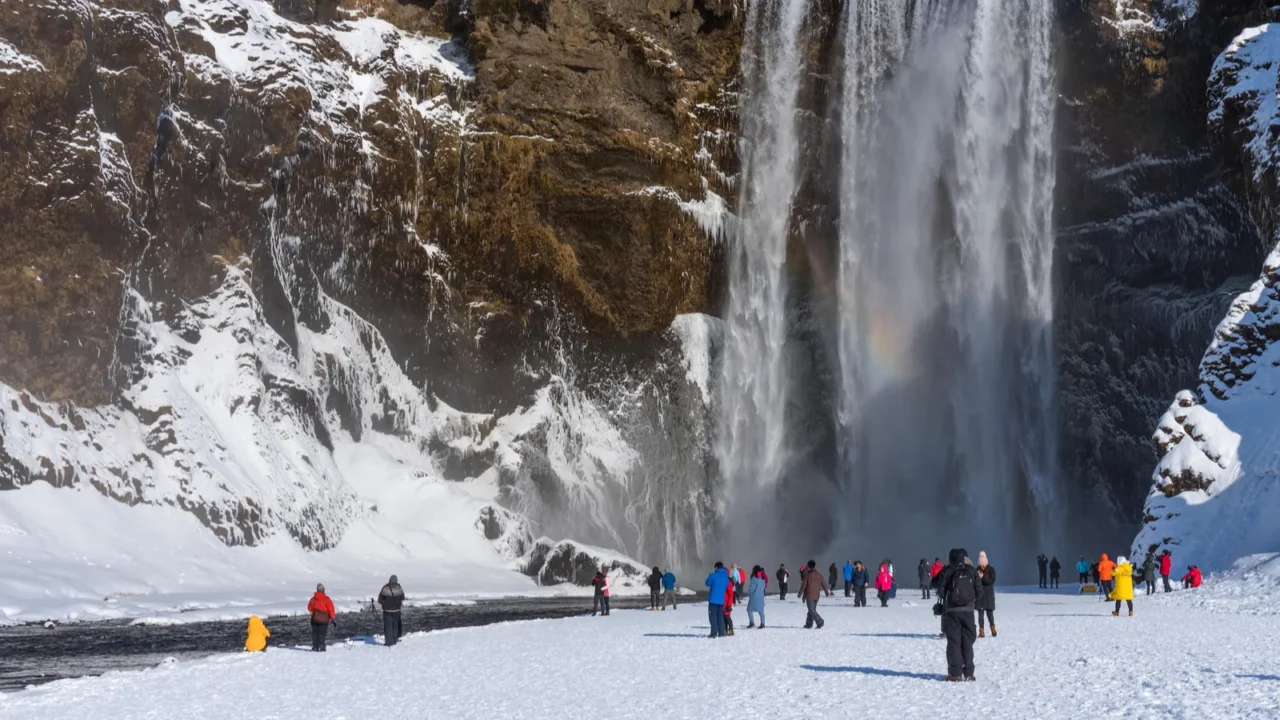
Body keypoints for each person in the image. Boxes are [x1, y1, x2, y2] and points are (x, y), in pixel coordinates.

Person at [935, 548, 982, 681]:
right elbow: (979, 592)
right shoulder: (972, 570)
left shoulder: (948, 570)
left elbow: (940, 591)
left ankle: (955, 674)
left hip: (952, 612)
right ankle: (968, 672)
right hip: (968, 612)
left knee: (954, 642)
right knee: (967, 641)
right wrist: (970, 601)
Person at [800, 559, 831, 629]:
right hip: (817, 595)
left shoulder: (807, 576)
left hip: (810, 595)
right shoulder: (819, 574)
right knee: (811, 609)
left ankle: (820, 622)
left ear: (809, 566)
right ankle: (809, 624)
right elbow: (824, 584)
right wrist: (826, 592)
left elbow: (803, 586)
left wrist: (800, 594)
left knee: (811, 610)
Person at [307, 583, 336, 652]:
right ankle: (321, 646)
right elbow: (331, 609)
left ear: (317, 590)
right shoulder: (327, 599)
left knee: (315, 633)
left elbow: (309, 608)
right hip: (324, 619)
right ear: (323, 590)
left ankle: (315, 646)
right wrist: (333, 618)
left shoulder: (313, 599)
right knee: (322, 633)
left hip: (315, 619)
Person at [378, 575, 405, 646]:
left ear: (389, 580)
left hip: (387, 611)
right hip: (397, 610)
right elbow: (403, 598)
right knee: (395, 625)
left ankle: (389, 642)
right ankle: (394, 640)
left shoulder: (385, 588)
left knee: (388, 626)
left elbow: (380, 599)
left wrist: (384, 603)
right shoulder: (399, 589)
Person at [705, 562, 730, 638]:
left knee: (713, 617)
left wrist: (710, 576)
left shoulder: (713, 575)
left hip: (713, 600)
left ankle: (713, 633)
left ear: (716, 567)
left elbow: (707, 583)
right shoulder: (726, 578)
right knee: (720, 617)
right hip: (721, 601)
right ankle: (722, 633)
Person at [976, 552, 996, 638]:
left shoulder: (991, 570)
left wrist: (982, 577)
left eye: (983, 564)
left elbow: (991, 582)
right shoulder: (976, 570)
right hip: (980, 595)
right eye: (981, 564)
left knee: (990, 614)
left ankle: (993, 628)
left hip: (988, 595)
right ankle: (981, 631)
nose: (982, 566)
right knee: (980, 615)